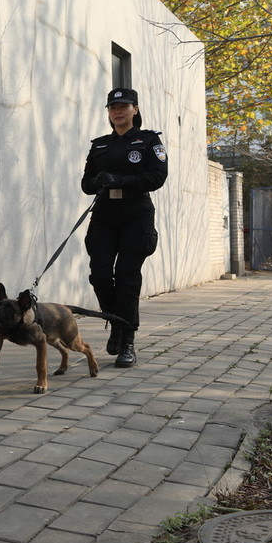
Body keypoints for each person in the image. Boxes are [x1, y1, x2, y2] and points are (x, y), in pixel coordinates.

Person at [80, 88, 167, 368]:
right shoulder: (100, 145)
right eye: (112, 108)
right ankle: (115, 322)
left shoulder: (148, 141)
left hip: (135, 215)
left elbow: (157, 177)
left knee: (127, 277)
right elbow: (86, 184)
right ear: (108, 113)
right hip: (105, 216)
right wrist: (99, 181)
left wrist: (119, 179)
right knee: (101, 275)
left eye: (124, 106)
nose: (117, 112)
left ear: (135, 110)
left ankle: (127, 341)